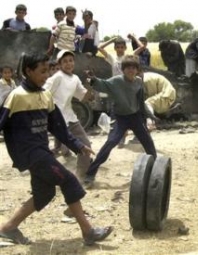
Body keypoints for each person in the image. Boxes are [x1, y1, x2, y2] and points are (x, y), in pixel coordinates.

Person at [0, 52, 113, 245]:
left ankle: (8, 228)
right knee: (69, 181)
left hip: (42, 151)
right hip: (30, 154)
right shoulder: (16, 97)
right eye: (42, 71)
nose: (46, 76)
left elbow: (59, 128)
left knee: (45, 194)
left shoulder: (45, 96)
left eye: (47, 71)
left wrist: (79, 146)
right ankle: (88, 231)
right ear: (28, 71)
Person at [83, 55, 157, 188]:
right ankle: (90, 174)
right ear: (123, 70)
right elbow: (101, 84)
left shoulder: (139, 82)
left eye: (134, 68)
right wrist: (92, 78)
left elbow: (140, 102)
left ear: (137, 70)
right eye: (128, 68)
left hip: (135, 117)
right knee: (111, 142)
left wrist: (149, 116)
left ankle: (156, 170)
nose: (131, 70)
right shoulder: (116, 81)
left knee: (148, 142)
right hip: (120, 118)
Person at [43, 50, 93, 179]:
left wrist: (90, 81)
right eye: (65, 61)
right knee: (67, 148)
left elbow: (84, 97)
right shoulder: (57, 77)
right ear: (59, 64)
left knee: (85, 145)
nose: (68, 63)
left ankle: (80, 176)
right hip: (57, 119)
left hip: (70, 117)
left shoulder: (75, 78)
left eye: (71, 60)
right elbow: (43, 94)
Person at [98, 35, 146, 147]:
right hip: (116, 89)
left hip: (129, 89)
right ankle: (121, 136)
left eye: (121, 47)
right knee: (117, 113)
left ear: (125, 48)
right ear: (115, 48)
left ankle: (133, 135)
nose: (120, 49)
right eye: (117, 47)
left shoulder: (128, 57)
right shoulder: (112, 58)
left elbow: (142, 47)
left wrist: (134, 37)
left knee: (131, 111)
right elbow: (100, 48)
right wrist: (112, 39)